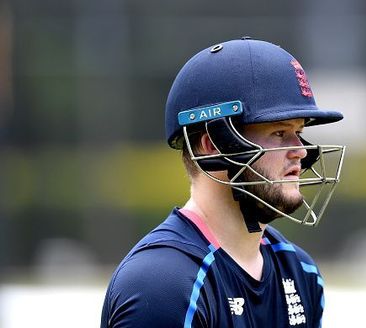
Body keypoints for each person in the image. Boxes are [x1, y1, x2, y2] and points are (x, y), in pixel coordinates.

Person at [101, 37, 345, 328]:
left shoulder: (301, 271)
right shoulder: (162, 285)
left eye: (299, 131)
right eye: (279, 133)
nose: (301, 151)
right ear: (213, 145)